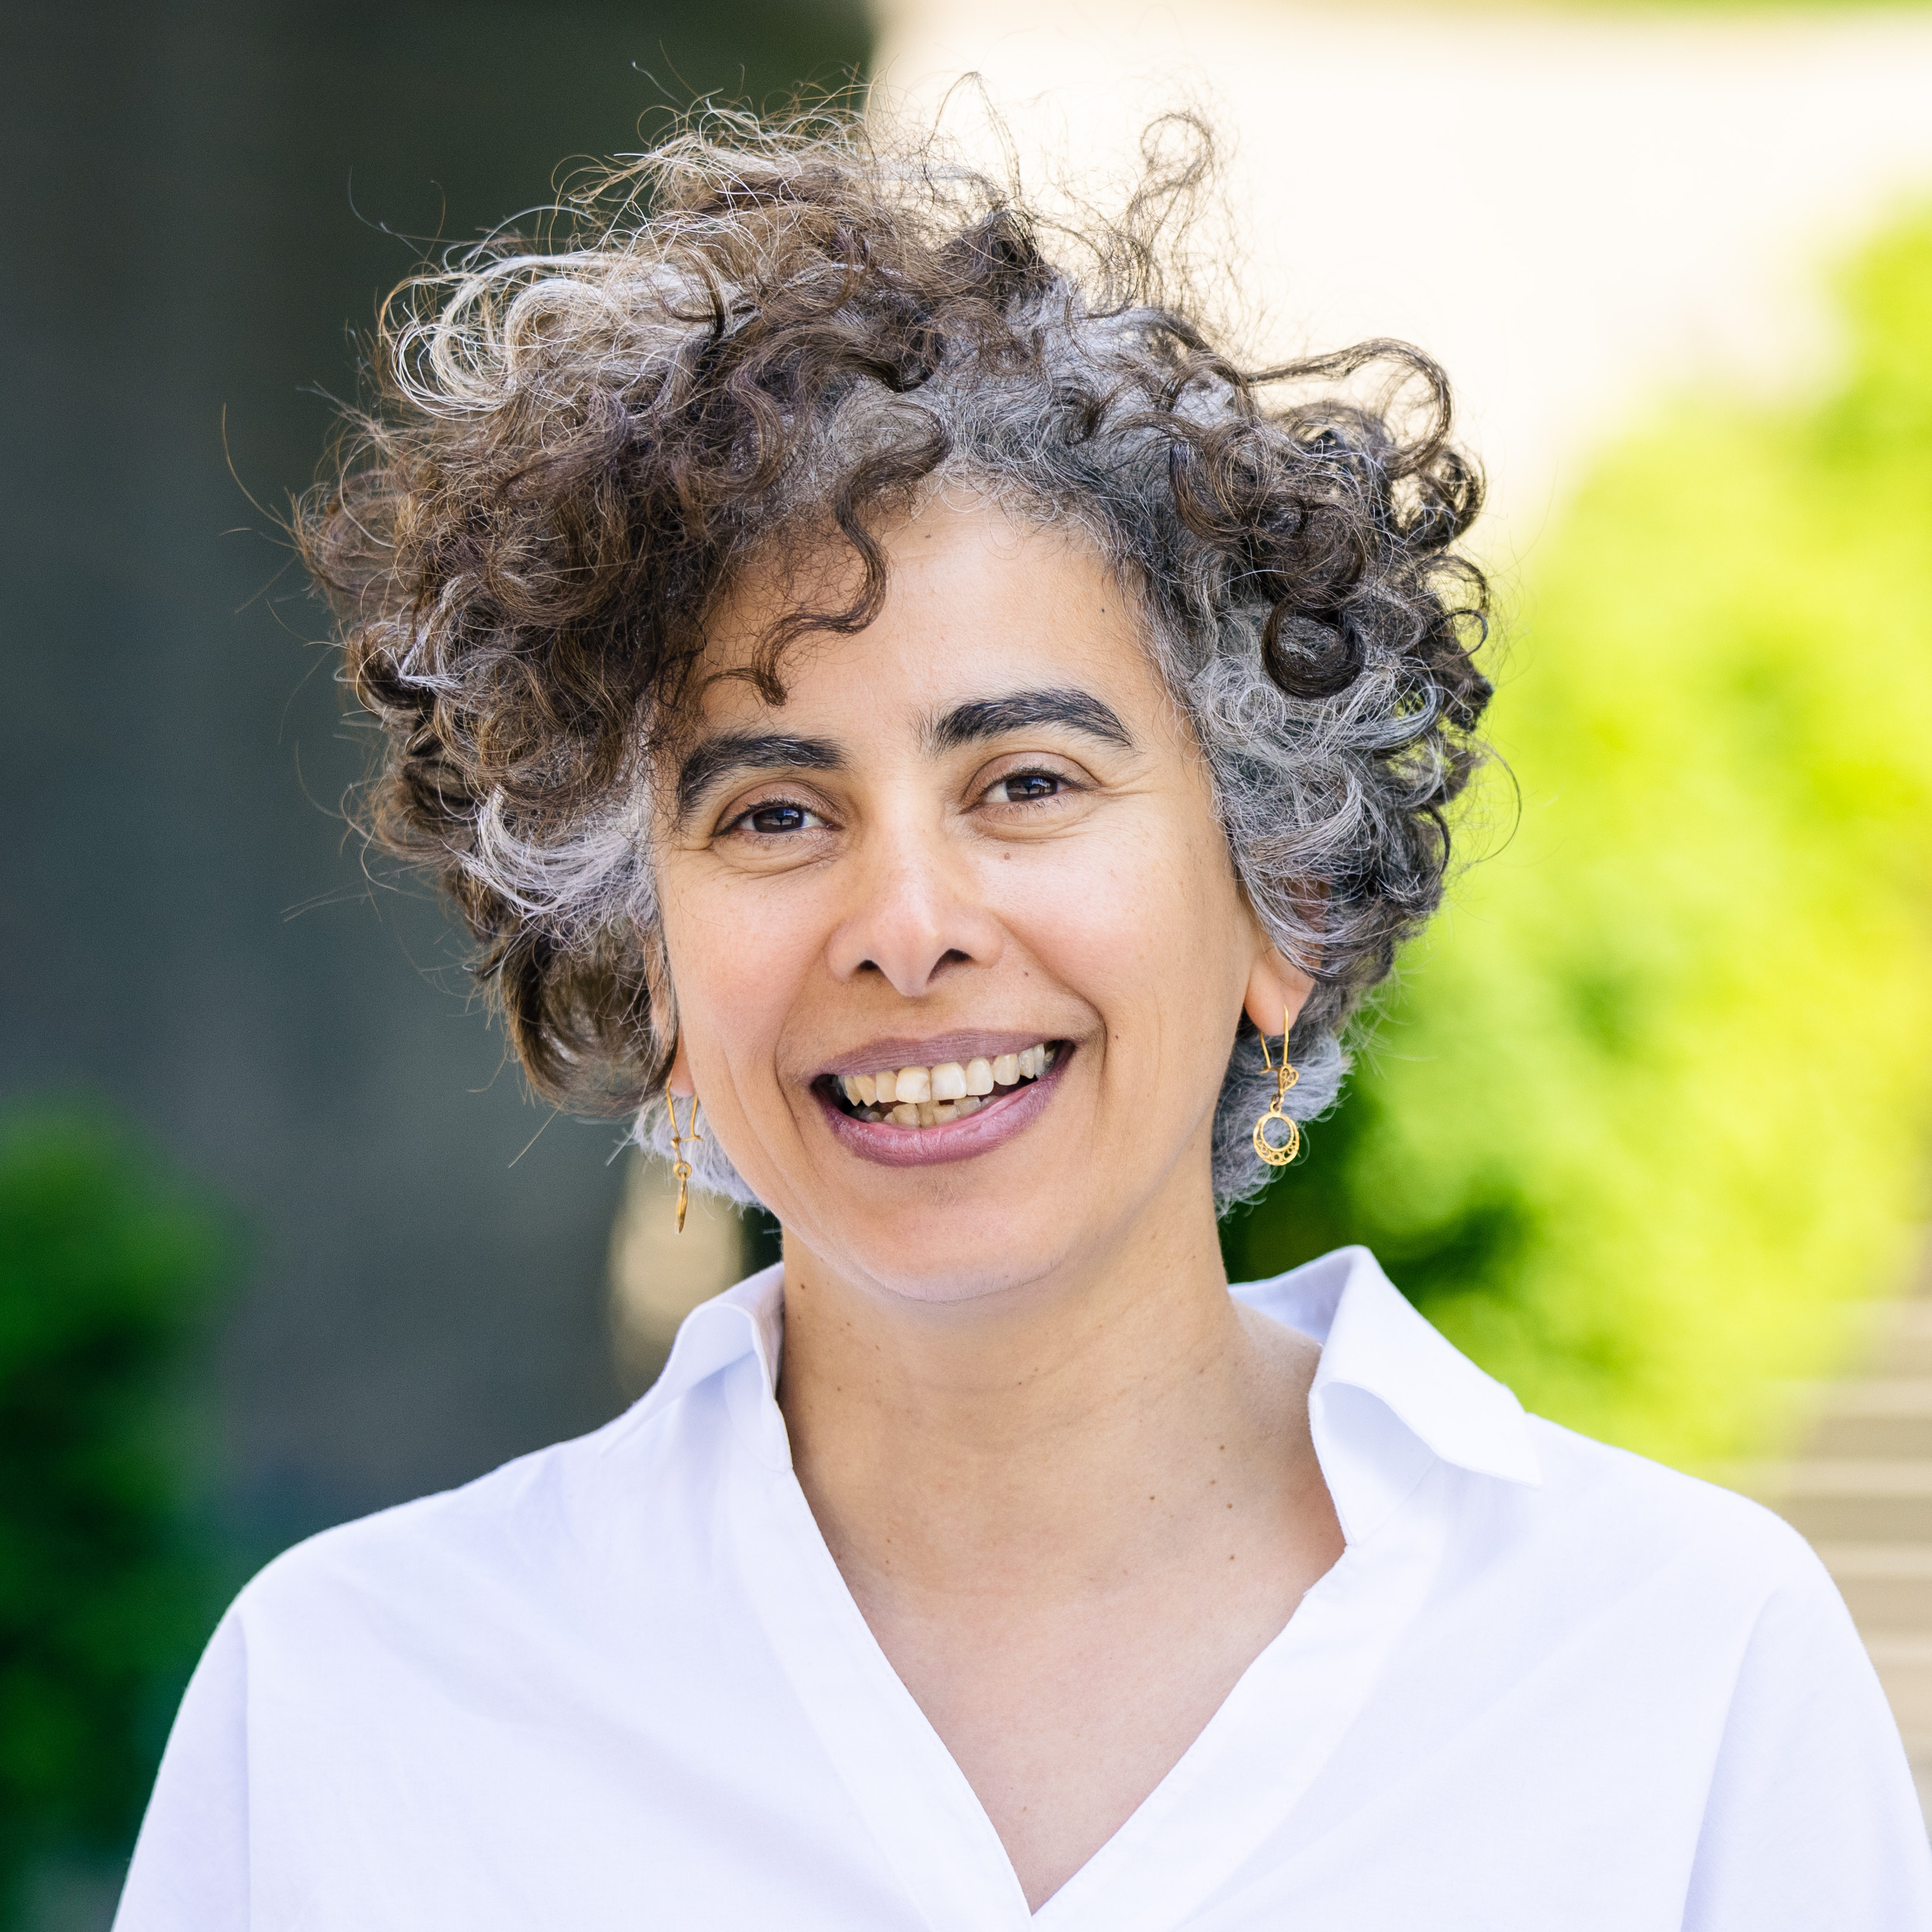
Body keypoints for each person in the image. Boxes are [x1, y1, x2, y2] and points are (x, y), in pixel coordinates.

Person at [115, 111, 1931, 1930]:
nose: (908, 928)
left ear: (1284, 899)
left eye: (1030, 784)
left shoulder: (1685, 1676)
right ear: (646, 969)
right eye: (774, 814)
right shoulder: (354, 1712)